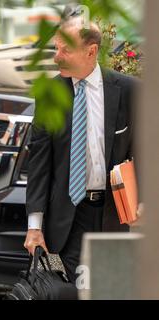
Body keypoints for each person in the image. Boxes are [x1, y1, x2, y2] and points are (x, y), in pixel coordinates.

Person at [24, 16, 138, 284]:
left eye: (65, 50)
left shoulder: (130, 91)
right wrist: (34, 228)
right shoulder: (50, 93)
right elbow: (39, 163)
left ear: (91, 51)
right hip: (65, 219)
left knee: (112, 288)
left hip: (115, 214)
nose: (57, 57)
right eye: (55, 48)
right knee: (64, 288)